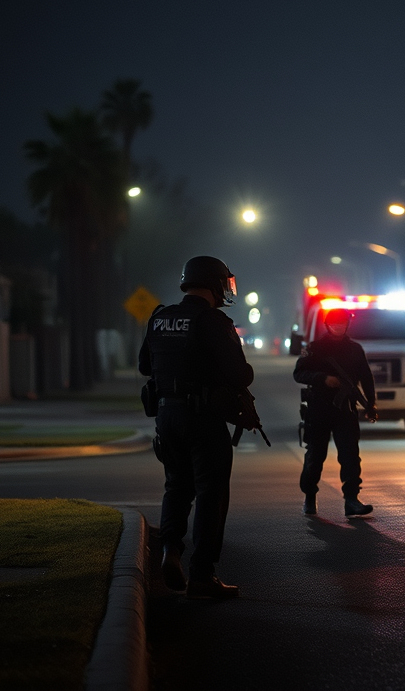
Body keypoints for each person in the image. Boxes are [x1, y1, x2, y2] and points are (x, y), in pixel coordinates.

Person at [138, 256, 254, 599]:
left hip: (165, 416)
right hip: (203, 419)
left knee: (176, 486)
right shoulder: (214, 321)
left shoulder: (159, 317)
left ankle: (170, 550)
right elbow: (239, 374)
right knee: (211, 492)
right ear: (216, 284)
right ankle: (202, 575)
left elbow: (146, 365)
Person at [294, 308, 379, 517]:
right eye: (335, 323)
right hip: (319, 409)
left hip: (346, 410)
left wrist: (371, 405)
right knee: (316, 455)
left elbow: (366, 379)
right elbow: (299, 373)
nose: (339, 326)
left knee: (350, 455)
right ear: (327, 325)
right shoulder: (314, 348)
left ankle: (352, 500)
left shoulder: (355, 349)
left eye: (342, 322)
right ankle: (310, 496)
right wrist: (323, 378)